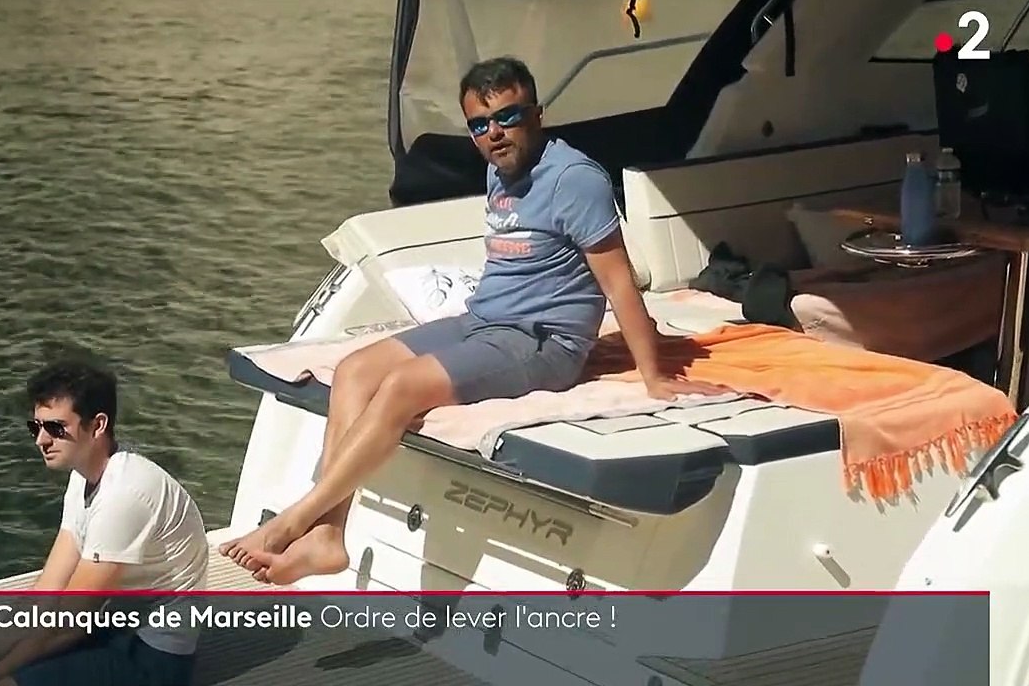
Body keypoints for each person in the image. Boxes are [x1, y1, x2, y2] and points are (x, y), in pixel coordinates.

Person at [218, 55, 726, 585]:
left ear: (537, 114)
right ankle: (327, 537)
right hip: (483, 320)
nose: (494, 134)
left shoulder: (574, 180)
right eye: (480, 125)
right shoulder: (498, 170)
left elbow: (620, 282)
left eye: (507, 117)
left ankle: (294, 521)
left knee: (398, 389)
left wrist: (654, 376)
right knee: (353, 372)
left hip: (540, 341)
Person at [0, 357, 209, 686]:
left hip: (153, 659)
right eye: (36, 427)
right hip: (113, 626)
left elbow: (68, 622)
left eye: (56, 428)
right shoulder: (84, 477)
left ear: (97, 425)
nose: (41, 440)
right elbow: (46, 594)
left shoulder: (125, 496)